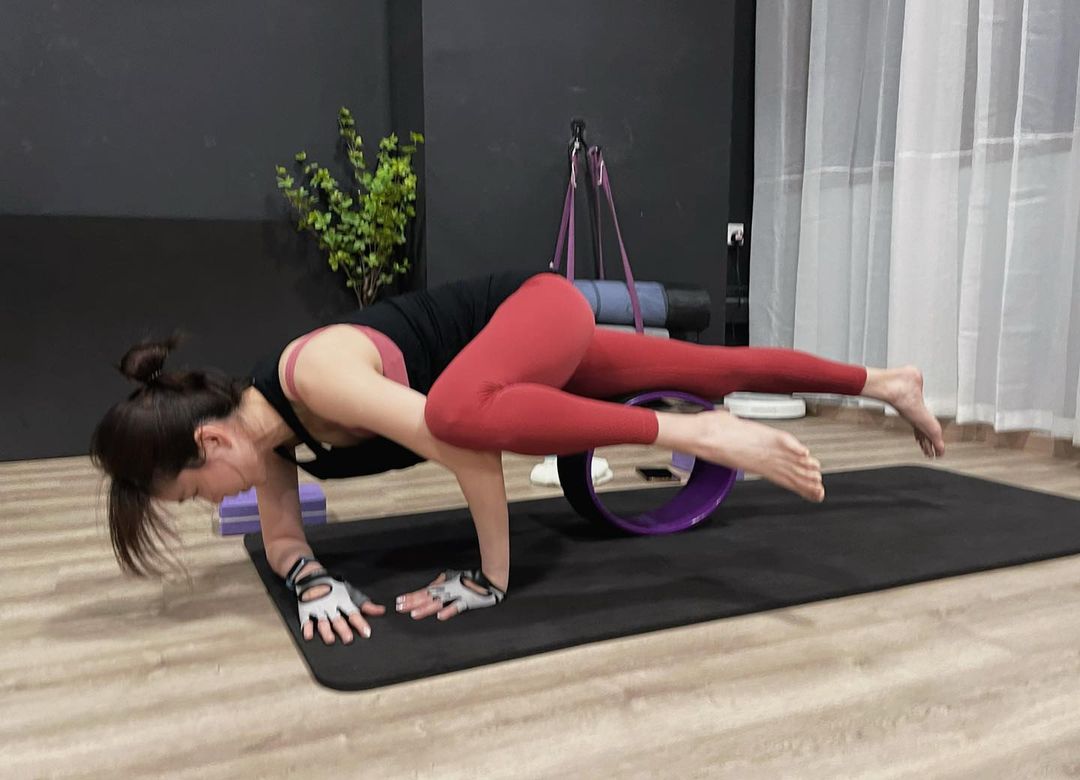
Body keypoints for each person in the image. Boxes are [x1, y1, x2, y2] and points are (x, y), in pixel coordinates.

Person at [90, 270, 945, 646]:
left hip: (534, 309)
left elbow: (466, 447)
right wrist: (311, 582)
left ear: (210, 442)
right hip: (516, 365)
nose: (213, 504)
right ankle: (887, 380)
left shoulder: (313, 376)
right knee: (711, 367)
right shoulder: (268, 441)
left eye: (193, 493)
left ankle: (700, 433)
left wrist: (490, 578)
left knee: (457, 411)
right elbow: (283, 541)